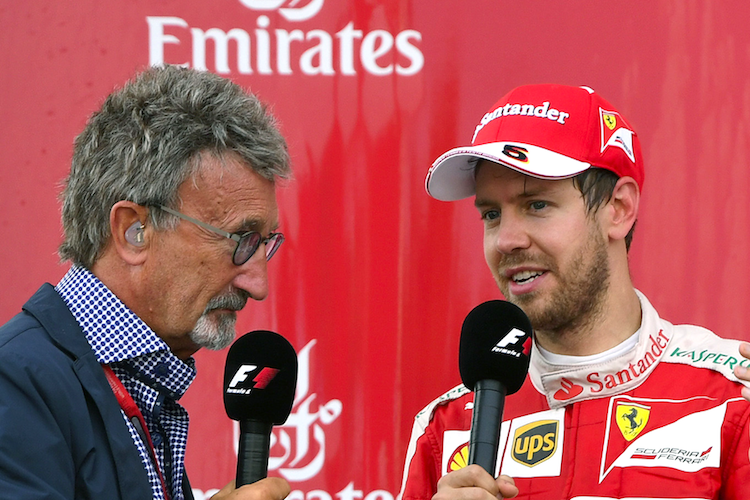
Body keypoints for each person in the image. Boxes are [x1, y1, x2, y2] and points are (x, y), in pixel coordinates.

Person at [398, 84, 750, 500]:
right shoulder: (446, 427)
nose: (506, 240)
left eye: (537, 205)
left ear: (618, 209)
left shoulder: (731, 396)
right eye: (491, 214)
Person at [0, 65, 292, 500]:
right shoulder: (16, 383)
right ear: (133, 231)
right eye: (239, 240)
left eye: (265, 243)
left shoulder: (143, 382)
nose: (257, 284)